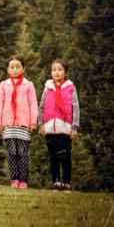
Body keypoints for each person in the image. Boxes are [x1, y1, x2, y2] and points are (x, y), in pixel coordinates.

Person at [0, 55, 38, 189]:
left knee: (22, 153)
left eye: (18, 67)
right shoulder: (4, 85)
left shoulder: (28, 85)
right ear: (8, 69)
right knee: (12, 152)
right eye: (12, 67)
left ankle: (23, 180)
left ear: (23, 69)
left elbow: (33, 104)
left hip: (24, 124)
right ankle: (14, 179)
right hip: (8, 124)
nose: (15, 69)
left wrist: (33, 122)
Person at [39, 59, 80, 192]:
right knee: (53, 157)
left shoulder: (70, 88)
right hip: (50, 128)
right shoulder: (47, 88)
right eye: (54, 70)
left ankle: (66, 182)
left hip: (65, 128)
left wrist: (74, 127)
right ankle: (56, 182)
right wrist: (41, 124)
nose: (56, 72)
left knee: (65, 156)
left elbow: (76, 108)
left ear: (65, 72)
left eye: (60, 69)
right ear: (51, 72)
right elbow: (41, 106)